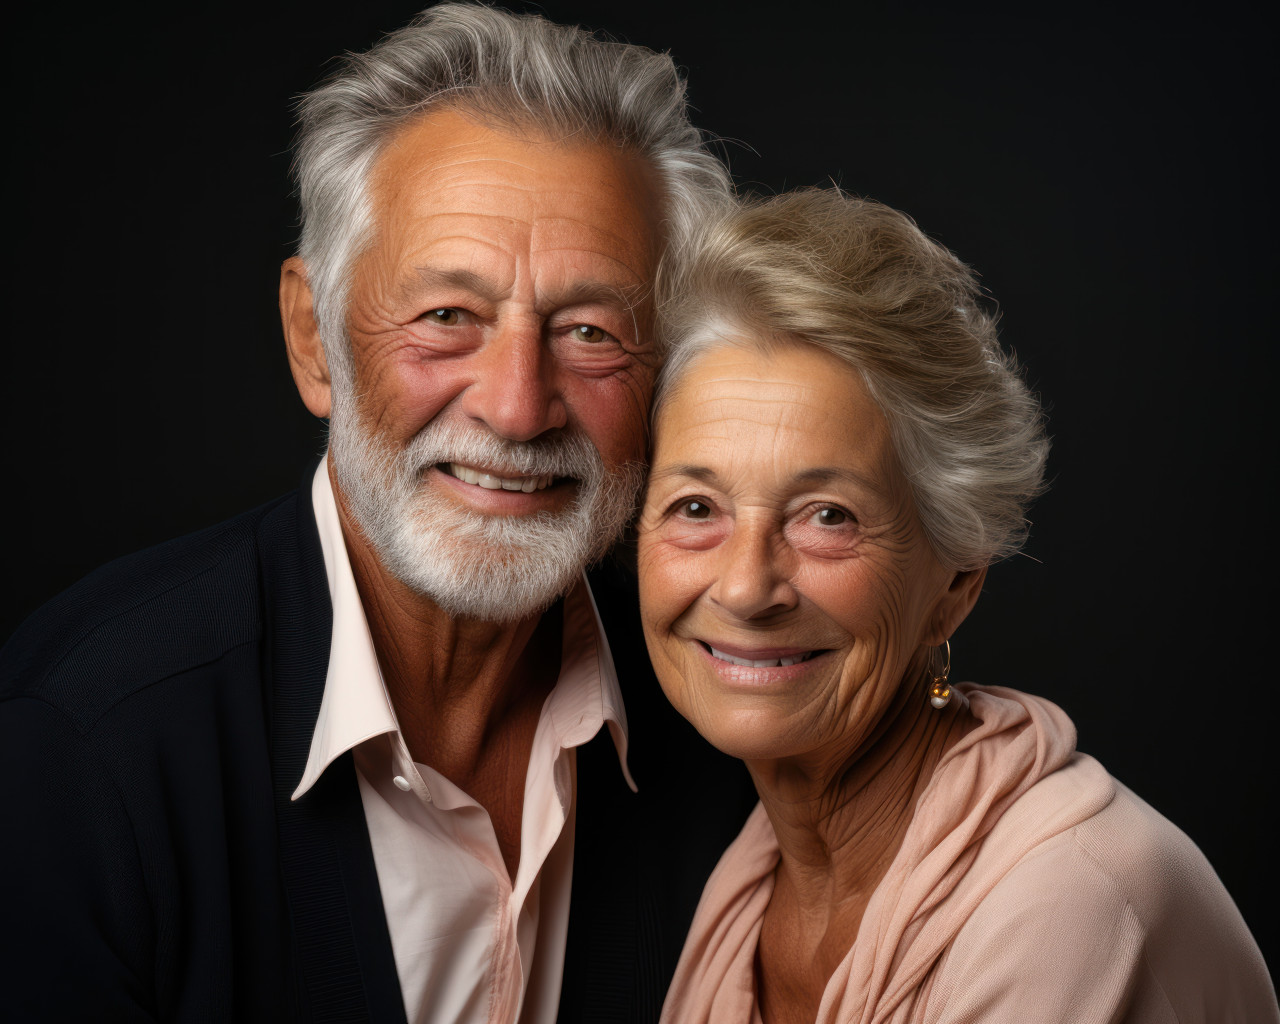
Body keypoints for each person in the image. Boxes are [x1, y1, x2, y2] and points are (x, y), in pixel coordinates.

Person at [0, 5, 756, 1021]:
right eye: (448, 316)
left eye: (589, 330)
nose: (517, 406)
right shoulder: (81, 753)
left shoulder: (727, 722)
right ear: (314, 340)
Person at [637, 189, 1277, 1023]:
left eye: (828, 517)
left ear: (957, 580)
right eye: (696, 509)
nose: (746, 587)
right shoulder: (748, 880)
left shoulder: (1068, 902)